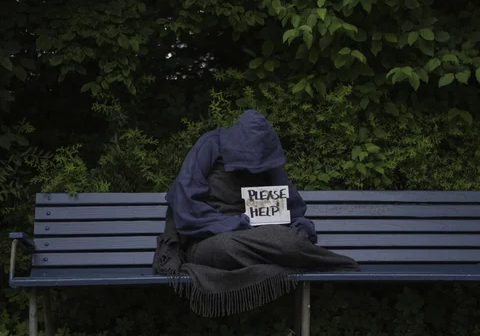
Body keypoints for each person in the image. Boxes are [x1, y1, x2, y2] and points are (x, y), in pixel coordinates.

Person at [152, 110, 359, 316]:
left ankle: (285, 253)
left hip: (258, 236)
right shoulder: (209, 145)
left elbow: (293, 209)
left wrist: (300, 227)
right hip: (211, 240)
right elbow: (186, 209)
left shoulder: (266, 159)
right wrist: (231, 224)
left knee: (292, 240)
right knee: (227, 246)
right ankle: (297, 259)